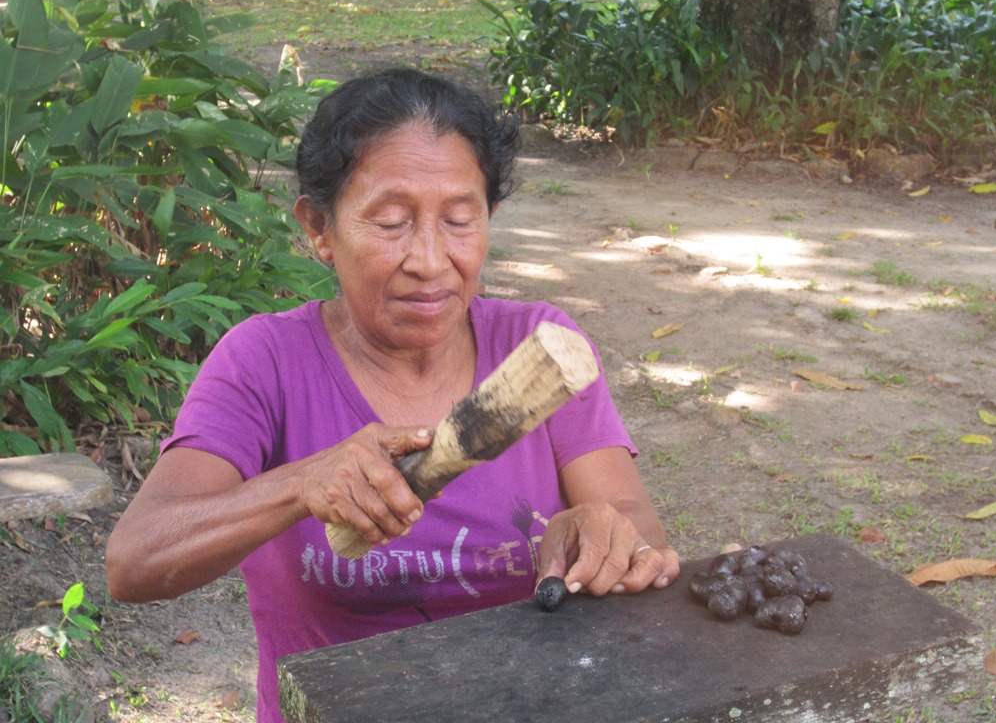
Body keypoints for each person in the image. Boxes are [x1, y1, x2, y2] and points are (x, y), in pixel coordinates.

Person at [105, 67, 681, 723]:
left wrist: (604, 534)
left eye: (461, 220)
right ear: (319, 227)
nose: (431, 260)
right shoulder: (265, 363)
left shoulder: (539, 349)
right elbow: (135, 560)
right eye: (391, 223)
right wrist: (301, 485)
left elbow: (635, 519)